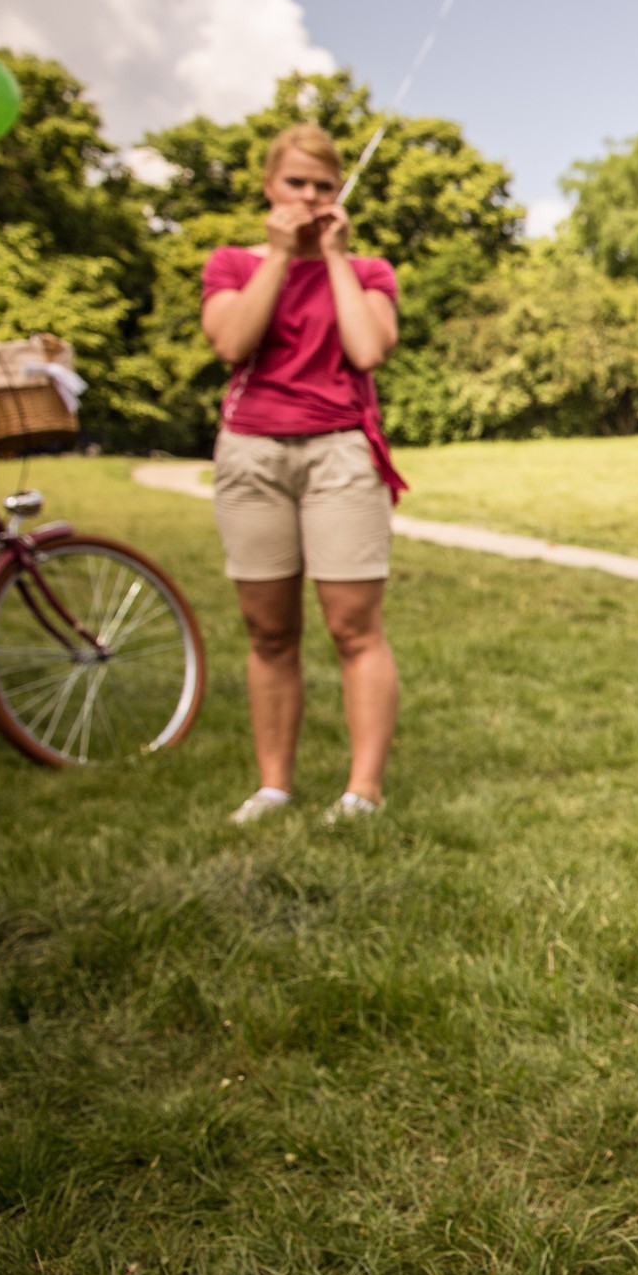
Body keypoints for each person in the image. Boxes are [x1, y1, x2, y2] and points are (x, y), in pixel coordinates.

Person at [200, 123, 405, 826]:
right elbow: (232, 340)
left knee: (354, 626)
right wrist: (282, 256)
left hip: (341, 453)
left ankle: (363, 790)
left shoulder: (371, 270)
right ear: (269, 187)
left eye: (324, 184)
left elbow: (368, 347)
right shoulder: (233, 263)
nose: (312, 196)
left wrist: (337, 259)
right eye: (297, 183)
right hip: (252, 453)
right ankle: (274, 785)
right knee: (268, 631)